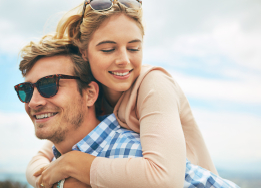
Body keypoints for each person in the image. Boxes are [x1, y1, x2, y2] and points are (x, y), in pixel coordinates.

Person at [26, 1, 222, 187]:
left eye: (133, 48)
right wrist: (58, 183)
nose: (124, 59)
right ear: (84, 53)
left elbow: (166, 180)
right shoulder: (94, 91)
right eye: (108, 49)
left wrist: (73, 163)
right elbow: (44, 156)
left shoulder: (153, 84)